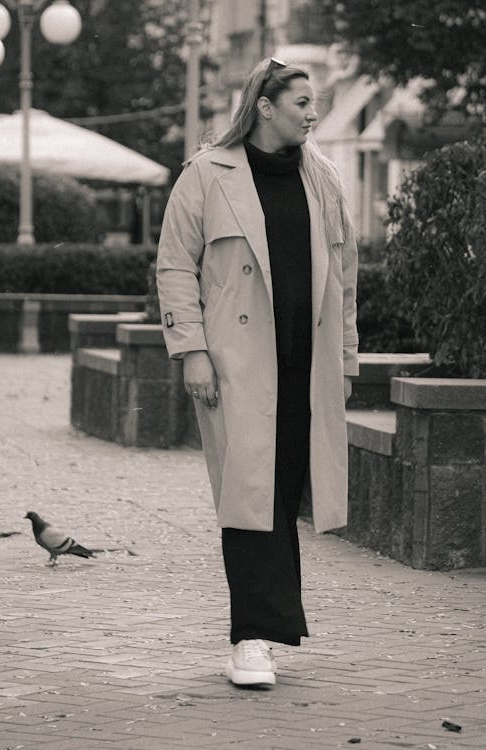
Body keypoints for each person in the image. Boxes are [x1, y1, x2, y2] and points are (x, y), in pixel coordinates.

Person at [156, 57, 358, 688]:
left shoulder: (322, 177)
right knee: (251, 498)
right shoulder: (207, 173)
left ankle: (264, 631)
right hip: (238, 367)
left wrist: (345, 360)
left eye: (314, 102)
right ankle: (252, 639)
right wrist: (191, 349)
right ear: (265, 106)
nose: (313, 112)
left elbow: (345, 279)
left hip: (307, 366)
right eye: (301, 101)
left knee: (283, 491)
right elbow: (172, 265)